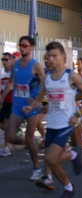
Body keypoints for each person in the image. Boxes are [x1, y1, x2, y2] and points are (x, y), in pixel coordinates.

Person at [29, 41, 82, 198]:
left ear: (63, 57)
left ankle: (73, 157)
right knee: (50, 160)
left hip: (67, 123)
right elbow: (40, 100)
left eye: (54, 56)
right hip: (51, 123)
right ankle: (69, 186)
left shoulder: (70, 75)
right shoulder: (47, 79)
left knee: (51, 159)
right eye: (49, 56)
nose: (50, 59)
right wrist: (30, 107)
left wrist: (78, 113)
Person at [0, 36, 45, 181]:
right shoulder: (16, 65)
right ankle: (31, 143)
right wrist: (2, 96)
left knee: (29, 137)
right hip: (17, 106)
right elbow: (10, 82)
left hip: (31, 108)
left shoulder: (36, 66)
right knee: (10, 137)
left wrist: (37, 100)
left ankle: (36, 168)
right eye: (21, 45)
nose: (22, 48)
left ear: (32, 48)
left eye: (25, 46)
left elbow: (45, 86)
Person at [0, 52, 14, 156]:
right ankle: (14, 132)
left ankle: (6, 147)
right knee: (2, 126)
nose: (4, 62)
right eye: (2, 60)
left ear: (11, 60)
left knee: (6, 123)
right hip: (3, 101)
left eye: (6, 60)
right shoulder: (1, 72)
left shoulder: (14, 73)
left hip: (12, 101)